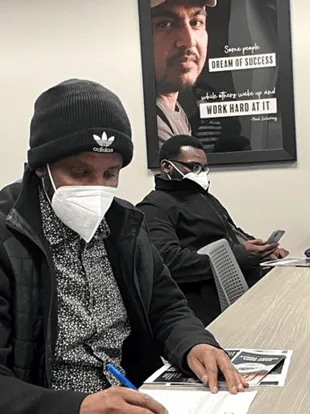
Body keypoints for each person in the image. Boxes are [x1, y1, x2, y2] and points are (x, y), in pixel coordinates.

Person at [0, 80, 248, 414]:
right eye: (79, 172)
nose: (97, 188)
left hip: (135, 398)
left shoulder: (125, 226)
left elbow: (167, 307)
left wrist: (194, 343)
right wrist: (79, 406)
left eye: (110, 173)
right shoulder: (8, 238)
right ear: (42, 167)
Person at [137, 135, 289, 325]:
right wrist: (238, 256)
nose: (200, 173)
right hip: (210, 308)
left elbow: (231, 232)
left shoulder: (203, 197)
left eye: (203, 168)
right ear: (166, 167)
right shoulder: (153, 208)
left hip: (245, 287)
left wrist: (264, 249)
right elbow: (169, 261)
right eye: (193, 167)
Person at [151, 0, 217, 145]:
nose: (189, 41)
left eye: (196, 22)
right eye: (165, 24)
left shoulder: (174, 110)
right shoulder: (147, 125)